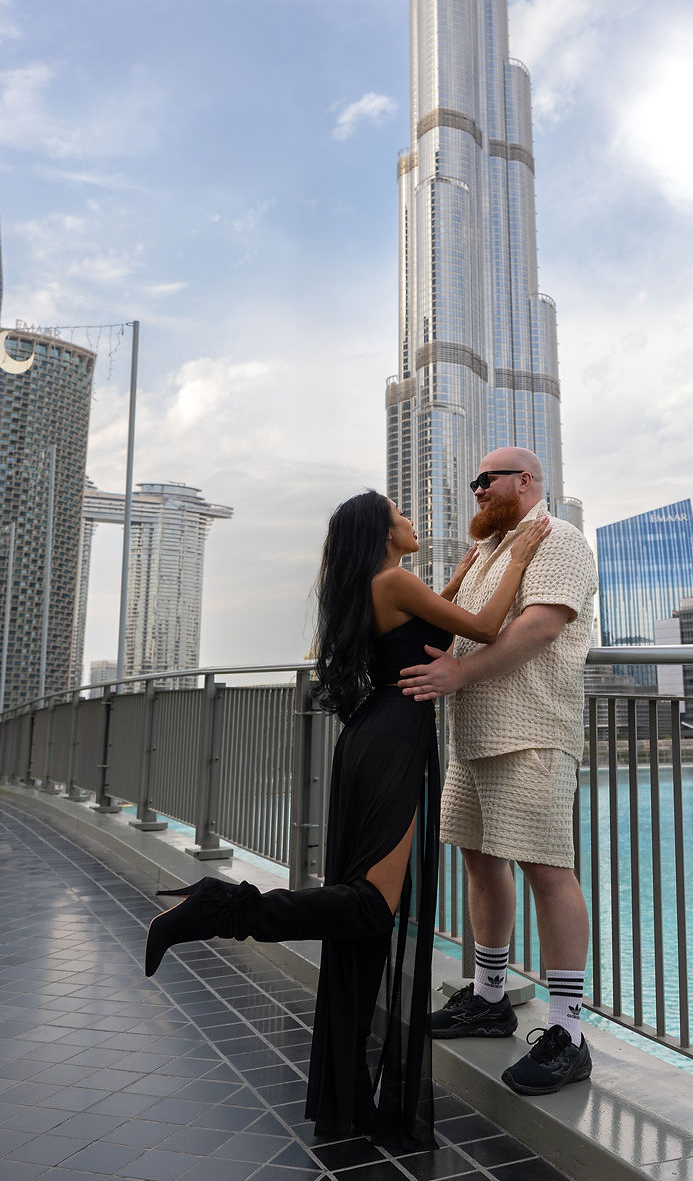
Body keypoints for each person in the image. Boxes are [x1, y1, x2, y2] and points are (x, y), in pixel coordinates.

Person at [143, 489, 548, 1143]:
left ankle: (349, 1090)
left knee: (367, 924)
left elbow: (436, 622)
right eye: (401, 513)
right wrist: (520, 554)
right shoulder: (394, 580)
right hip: (393, 741)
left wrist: (470, 569)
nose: (411, 520)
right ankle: (223, 907)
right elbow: (481, 628)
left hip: (372, 738)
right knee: (369, 910)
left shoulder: (378, 585)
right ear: (383, 532)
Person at [400, 448, 598, 1097]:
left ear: (527, 481)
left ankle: (568, 1032)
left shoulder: (559, 538)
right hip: (477, 735)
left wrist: (459, 673)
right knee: (480, 859)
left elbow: (541, 627)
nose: (478, 491)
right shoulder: (490, 551)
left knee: (547, 868)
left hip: (533, 732)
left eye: (488, 480)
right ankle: (489, 996)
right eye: (474, 483)